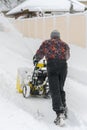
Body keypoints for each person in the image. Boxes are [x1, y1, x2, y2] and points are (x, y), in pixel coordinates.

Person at [33, 30, 70, 125]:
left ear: (51, 36)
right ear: (59, 36)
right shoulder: (65, 44)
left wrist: (36, 59)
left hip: (52, 65)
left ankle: (59, 114)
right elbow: (67, 57)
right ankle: (64, 107)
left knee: (54, 90)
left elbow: (40, 53)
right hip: (63, 66)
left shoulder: (46, 43)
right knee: (60, 88)